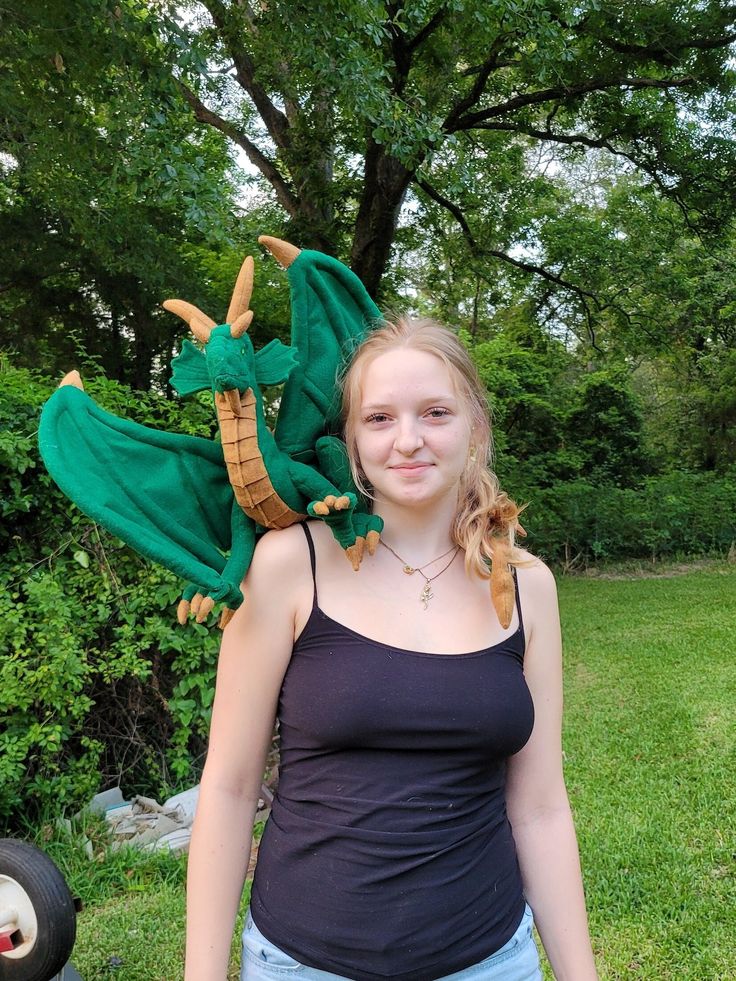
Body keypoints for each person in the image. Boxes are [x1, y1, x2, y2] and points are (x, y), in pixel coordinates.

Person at [184, 316, 598, 981]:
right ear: (351, 437)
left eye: (435, 412)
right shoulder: (289, 566)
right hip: (306, 964)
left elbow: (541, 804)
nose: (408, 439)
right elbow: (230, 789)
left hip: (490, 961)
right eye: (379, 418)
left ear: (475, 428)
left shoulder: (526, 586)